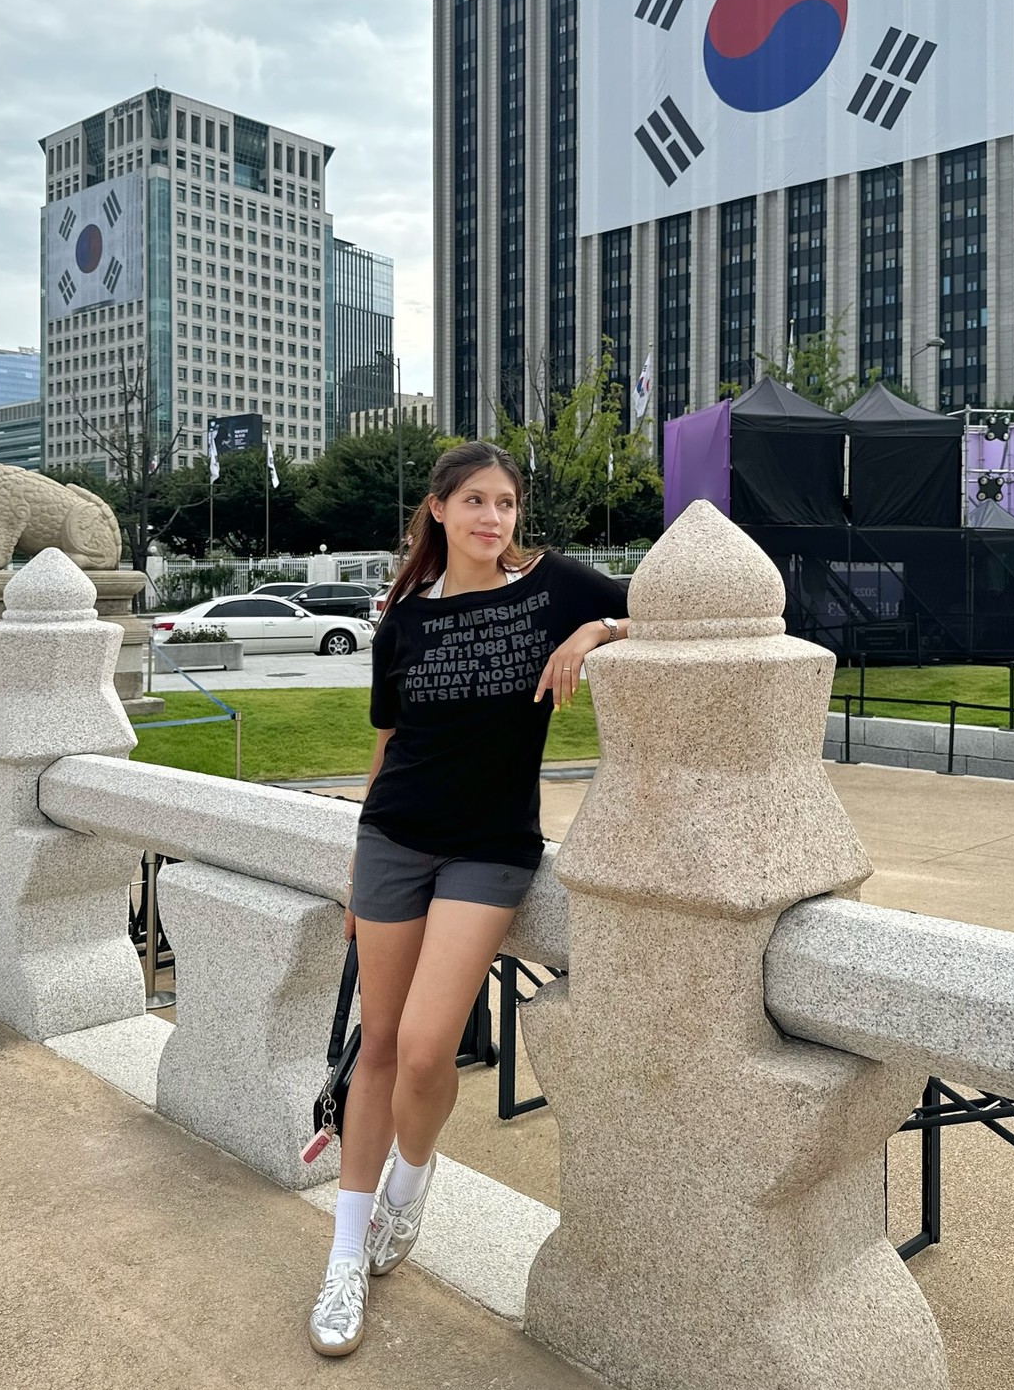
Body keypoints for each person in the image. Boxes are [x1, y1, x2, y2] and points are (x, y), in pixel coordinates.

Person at [308, 440, 630, 1356]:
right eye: (476, 501)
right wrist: (358, 868)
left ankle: (410, 1185)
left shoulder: (553, 588)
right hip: (393, 841)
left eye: (506, 502)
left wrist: (593, 634)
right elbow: (387, 745)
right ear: (440, 510)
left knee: (422, 1048)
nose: (494, 517)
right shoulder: (403, 619)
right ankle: (344, 1255)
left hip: (490, 852)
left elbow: (674, 612)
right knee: (376, 1048)